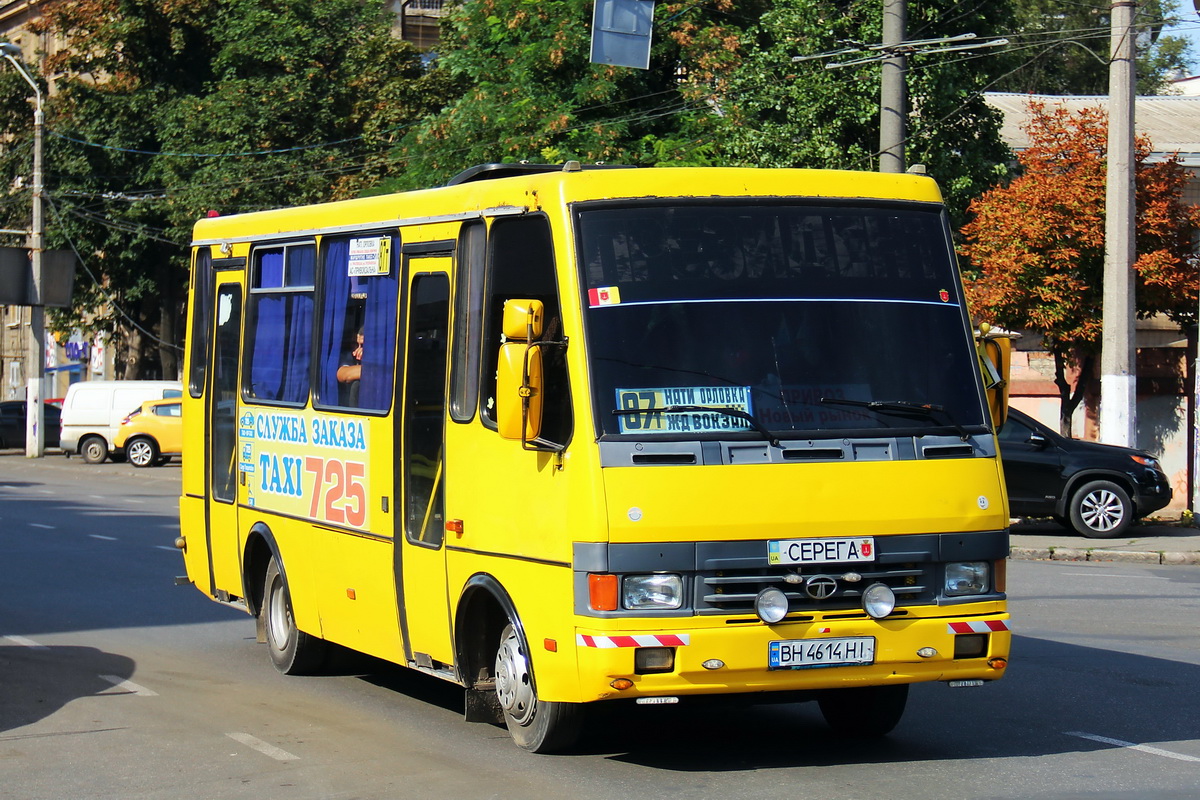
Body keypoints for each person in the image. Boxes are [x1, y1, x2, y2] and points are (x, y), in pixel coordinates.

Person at [337, 326, 363, 405]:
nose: (356, 351)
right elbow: (342, 374)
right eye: (355, 344)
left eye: (362, 346)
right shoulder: (349, 356)